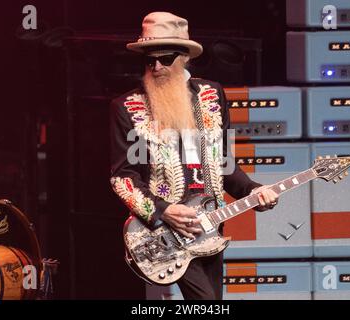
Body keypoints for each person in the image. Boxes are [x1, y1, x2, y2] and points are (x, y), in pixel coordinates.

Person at [110, 12, 279, 300]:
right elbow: (122, 177)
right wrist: (163, 211)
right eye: (149, 60)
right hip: (165, 230)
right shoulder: (126, 106)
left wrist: (252, 190)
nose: (157, 66)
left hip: (211, 223)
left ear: (185, 56)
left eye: (165, 58)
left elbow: (223, 162)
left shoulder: (212, 95)